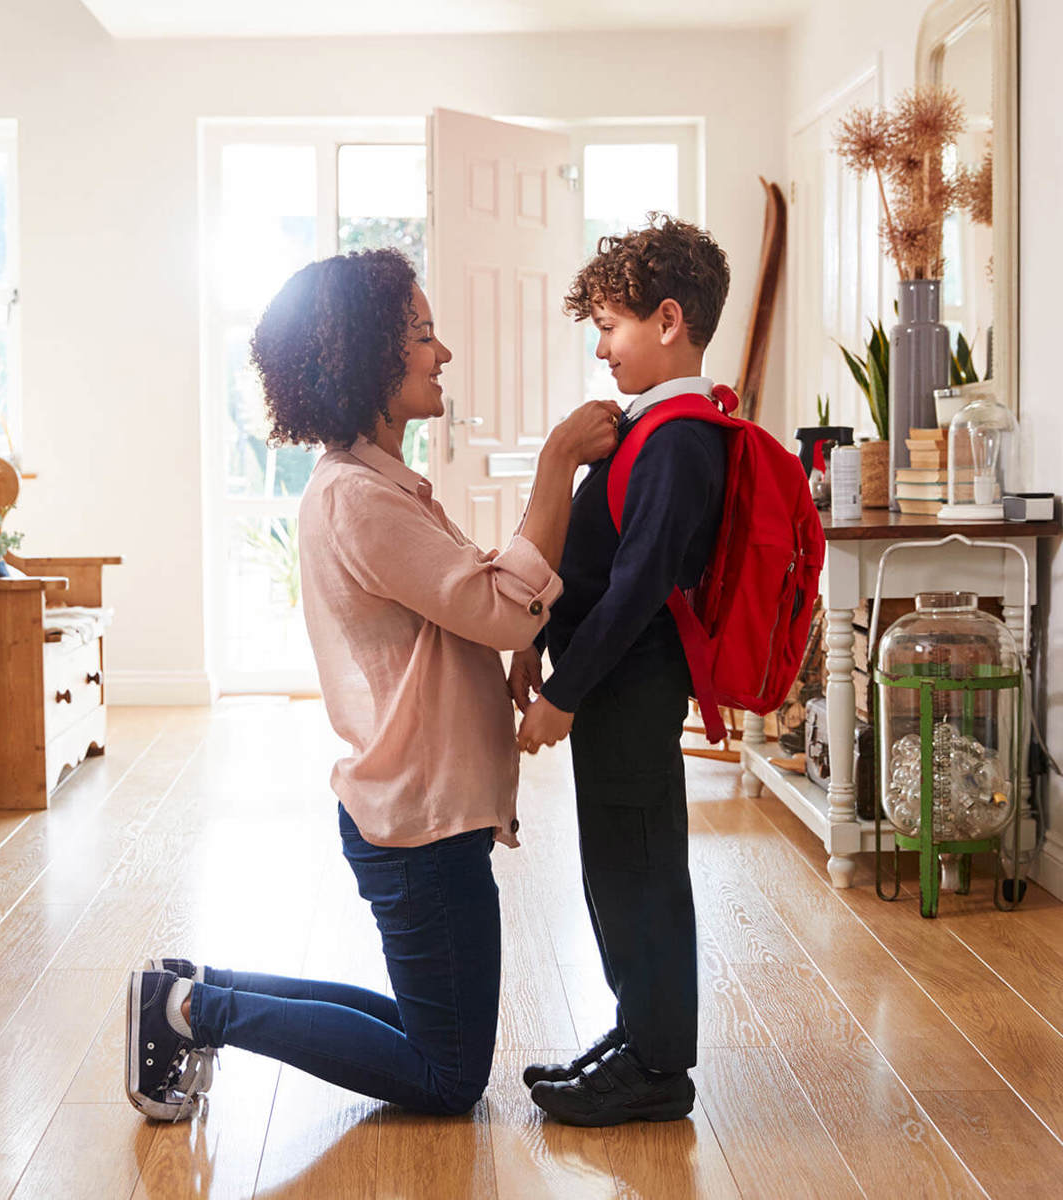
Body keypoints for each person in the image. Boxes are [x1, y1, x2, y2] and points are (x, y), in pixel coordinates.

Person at [124, 247, 621, 1121]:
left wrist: (507, 639)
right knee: (447, 1074)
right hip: (421, 826)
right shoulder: (360, 498)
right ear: (365, 360)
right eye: (423, 335)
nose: (444, 353)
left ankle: (192, 988)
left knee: (431, 1031)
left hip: (420, 814)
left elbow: (467, 609)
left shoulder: (377, 484)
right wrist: (556, 466)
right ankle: (195, 1012)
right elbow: (503, 606)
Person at [510, 215, 731, 1127]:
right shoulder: (648, 428)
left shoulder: (681, 436)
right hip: (613, 686)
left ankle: (658, 1067)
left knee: (639, 871)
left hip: (630, 688)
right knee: (614, 865)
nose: (600, 347)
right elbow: (596, 562)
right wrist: (535, 633)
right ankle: (639, 1036)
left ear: (668, 319)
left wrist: (564, 693)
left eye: (610, 325)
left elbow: (639, 586)